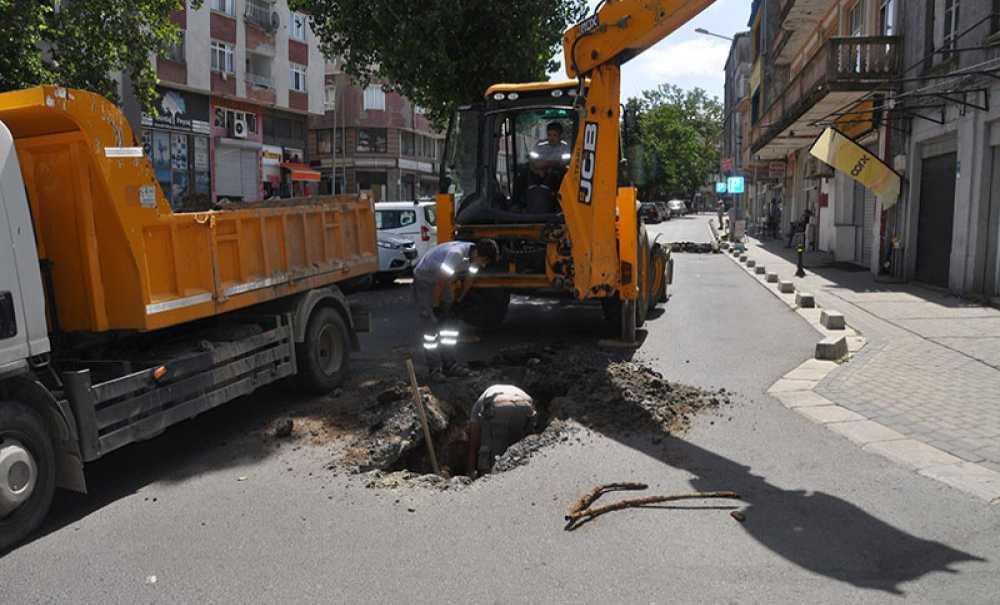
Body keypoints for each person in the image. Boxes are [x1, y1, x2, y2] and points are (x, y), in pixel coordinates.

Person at [412, 239, 500, 379]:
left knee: (449, 323)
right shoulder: (456, 254)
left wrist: (459, 300)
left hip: (444, 279)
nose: (483, 264)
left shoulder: (474, 257)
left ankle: (450, 364)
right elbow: (440, 282)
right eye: (483, 260)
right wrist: (436, 306)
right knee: (430, 324)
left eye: (486, 262)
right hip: (426, 279)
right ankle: (435, 370)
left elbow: (469, 277)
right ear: (477, 253)